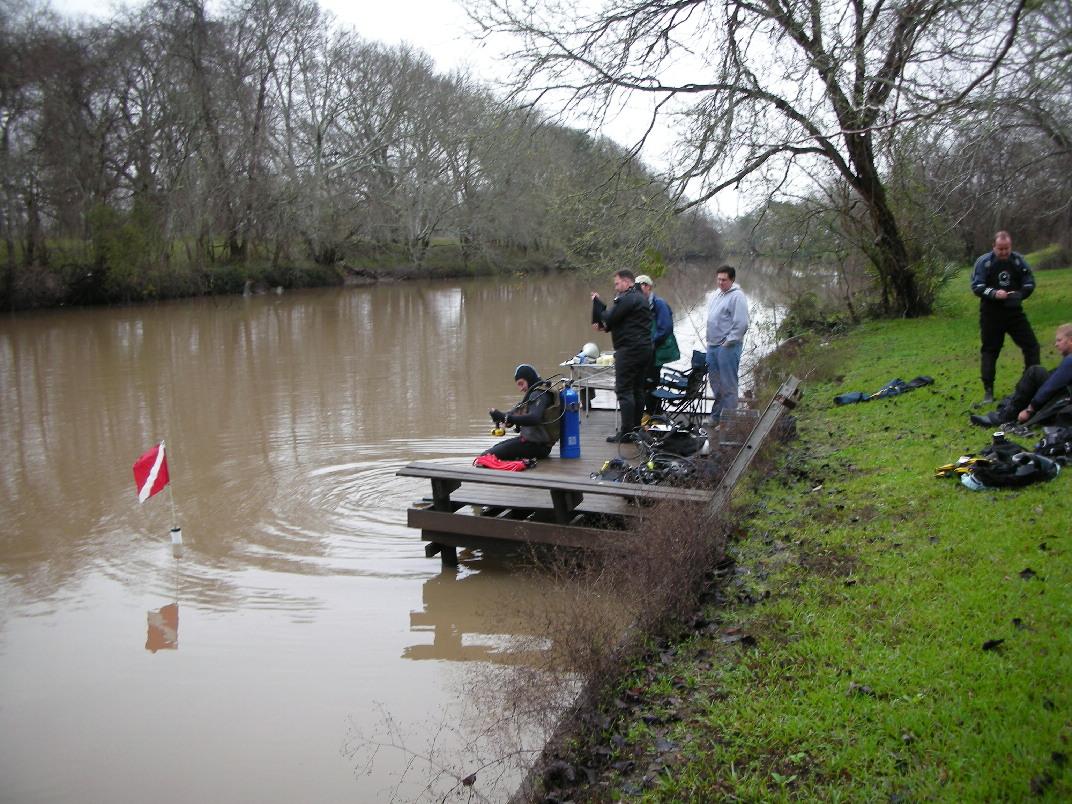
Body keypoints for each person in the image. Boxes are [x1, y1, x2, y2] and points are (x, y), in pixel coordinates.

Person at [971, 231, 1040, 405]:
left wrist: (1020, 294)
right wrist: (994, 293)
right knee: (990, 350)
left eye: (1006, 248)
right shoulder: (984, 262)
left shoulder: (1017, 261)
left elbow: (1030, 282)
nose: (1003, 252)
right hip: (991, 314)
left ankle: (1030, 384)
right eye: (1000, 249)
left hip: (1014, 313)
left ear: (1011, 246)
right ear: (994, 247)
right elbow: (977, 286)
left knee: (1032, 346)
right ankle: (988, 391)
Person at [971, 323, 1072, 427]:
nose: (1056, 344)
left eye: (1059, 340)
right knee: (1045, 374)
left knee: (1035, 372)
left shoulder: (1070, 360)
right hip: (1064, 400)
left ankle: (1004, 417)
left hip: (1063, 401)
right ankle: (1008, 405)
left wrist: (1030, 409)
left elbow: (1051, 386)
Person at [592, 270, 653, 442]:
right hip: (644, 349)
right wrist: (606, 325)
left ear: (627, 282)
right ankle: (635, 429)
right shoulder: (640, 298)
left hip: (630, 350)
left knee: (624, 390)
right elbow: (619, 321)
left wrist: (597, 303)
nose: (616, 287)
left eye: (617, 283)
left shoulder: (628, 298)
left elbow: (608, 317)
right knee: (637, 390)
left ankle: (626, 433)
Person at [704, 265, 750, 428]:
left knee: (728, 385)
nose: (720, 282)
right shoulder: (716, 295)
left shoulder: (737, 297)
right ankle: (717, 417)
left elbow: (742, 323)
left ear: (732, 280)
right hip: (712, 346)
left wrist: (728, 342)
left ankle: (730, 422)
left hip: (728, 347)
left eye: (724, 280)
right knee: (716, 384)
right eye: (718, 279)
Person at [484, 364, 561, 460]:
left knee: (487, 457)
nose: (521, 389)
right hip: (531, 443)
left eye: (521, 383)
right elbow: (517, 412)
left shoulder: (540, 394)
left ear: (529, 379)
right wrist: (502, 417)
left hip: (537, 447)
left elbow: (534, 418)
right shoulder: (535, 393)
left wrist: (506, 417)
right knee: (490, 452)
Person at [635, 274, 676, 418]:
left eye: (639, 287)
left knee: (650, 382)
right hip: (646, 351)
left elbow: (665, 329)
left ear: (648, 287)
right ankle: (652, 413)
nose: (636, 291)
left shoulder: (659, 304)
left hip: (657, 351)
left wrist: (650, 343)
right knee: (645, 382)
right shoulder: (641, 303)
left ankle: (654, 414)